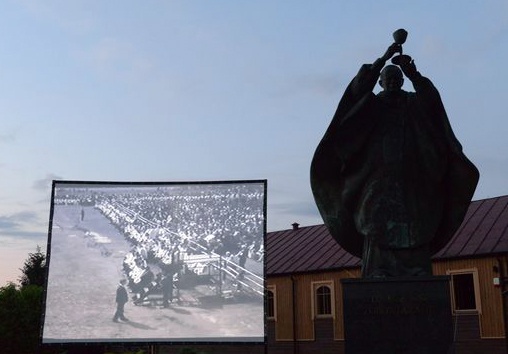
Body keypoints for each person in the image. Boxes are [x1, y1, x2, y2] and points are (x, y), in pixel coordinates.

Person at [310, 42, 479, 278]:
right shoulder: (372, 105)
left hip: (411, 174)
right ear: (379, 82)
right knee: (375, 220)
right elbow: (356, 92)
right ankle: (379, 269)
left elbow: (432, 101)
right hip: (376, 176)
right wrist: (384, 58)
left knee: (415, 219)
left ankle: (416, 268)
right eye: (386, 78)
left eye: (396, 78)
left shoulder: (412, 102)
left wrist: (414, 74)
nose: (391, 81)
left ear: (401, 81)